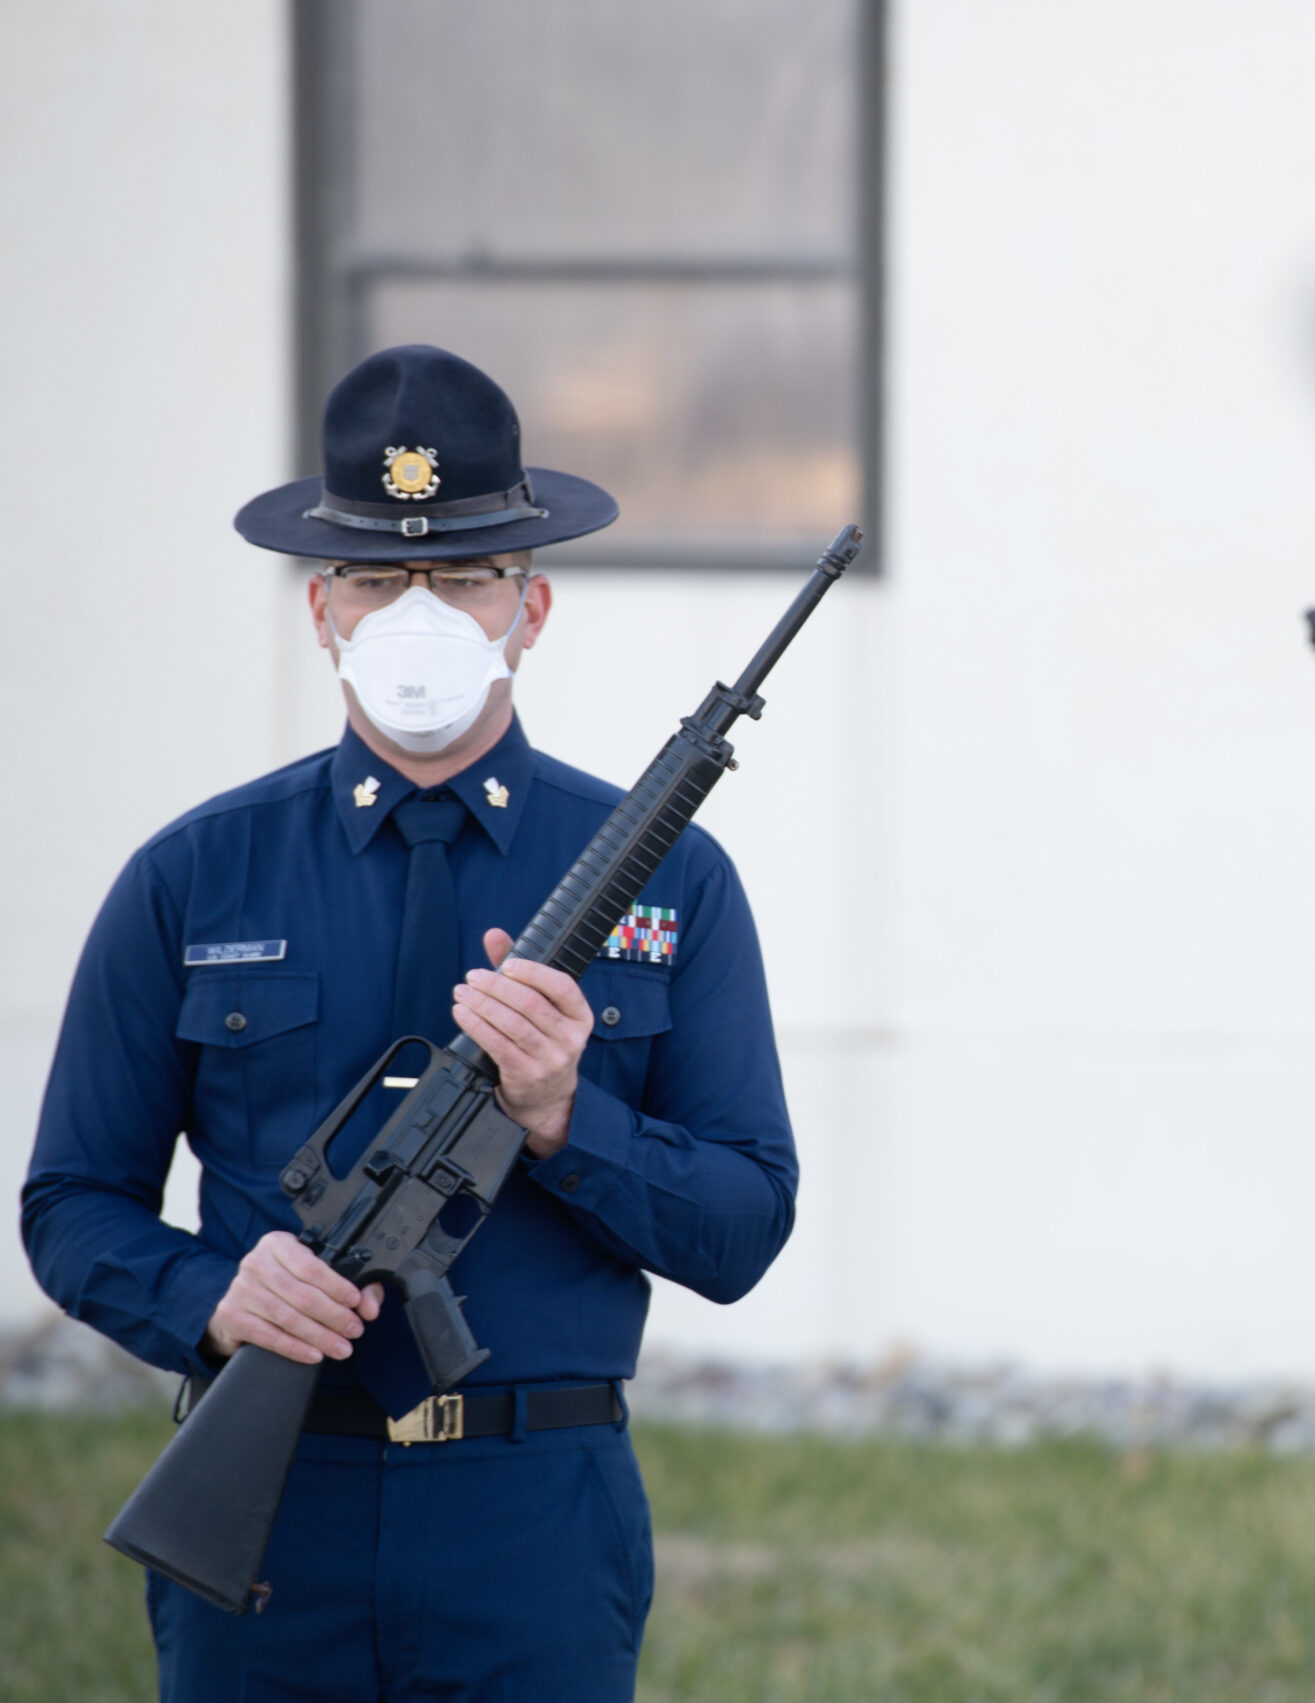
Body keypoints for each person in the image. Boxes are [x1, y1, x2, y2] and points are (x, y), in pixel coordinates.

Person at [20, 345, 797, 1698]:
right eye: (377, 580)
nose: (417, 613)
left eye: (467, 577)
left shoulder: (669, 876)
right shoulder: (195, 876)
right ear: (321, 608)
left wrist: (566, 1118)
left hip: (533, 1518)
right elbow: (72, 1202)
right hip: (277, 1503)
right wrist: (212, 1300)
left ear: (531, 608)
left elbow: (743, 1225)